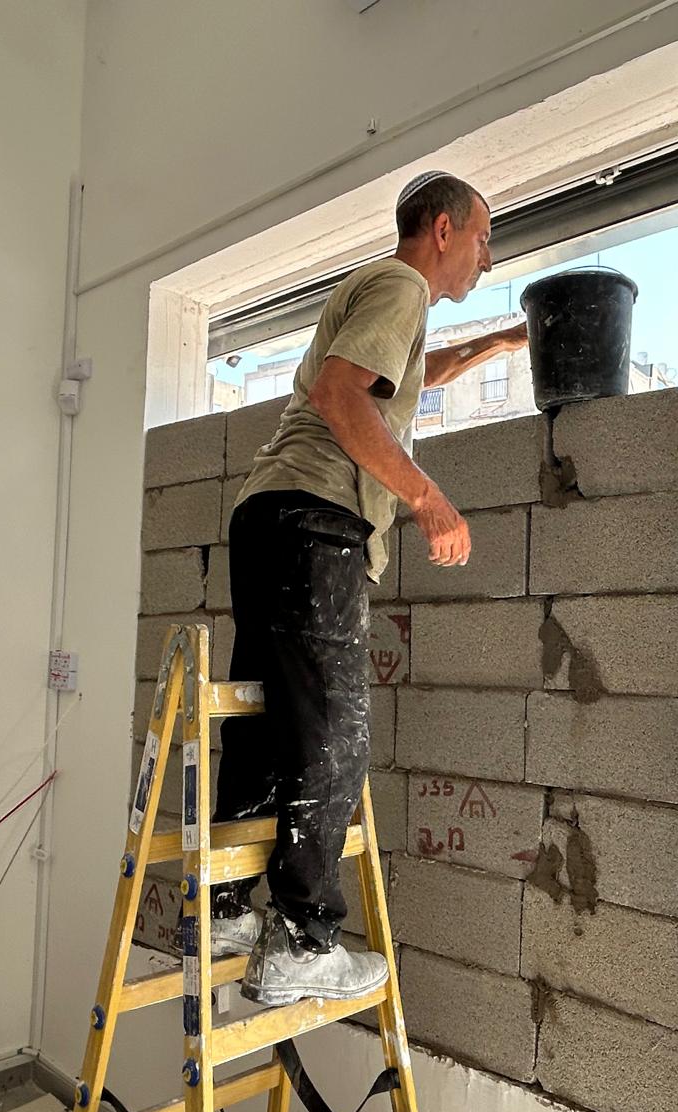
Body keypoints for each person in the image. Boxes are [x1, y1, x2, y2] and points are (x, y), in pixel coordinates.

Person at [212, 171, 527, 1006]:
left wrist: (499, 345)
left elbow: (408, 375)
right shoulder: (400, 285)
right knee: (334, 729)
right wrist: (427, 499)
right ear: (443, 229)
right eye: (484, 238)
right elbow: (339, 395)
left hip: (269, 515)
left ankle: (223, 909)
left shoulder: (385, 296)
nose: (488, 259)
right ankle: (303, 940)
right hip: (316, 521)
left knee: (266, 716)